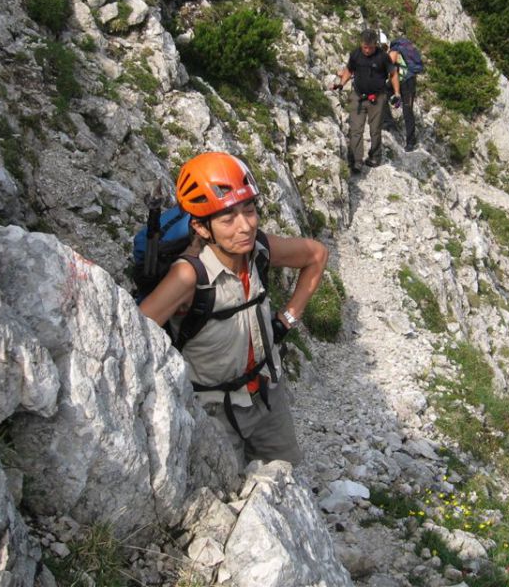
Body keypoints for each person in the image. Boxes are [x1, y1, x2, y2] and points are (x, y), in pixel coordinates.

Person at [139, 152, 329, 468]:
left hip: (268, 395)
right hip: (213, 413)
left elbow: (317, 256)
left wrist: (287, 320)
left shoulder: (260, 251)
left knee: (285, 481)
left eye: (250, 210)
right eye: (227, 219)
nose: (245, 227)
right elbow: (136, 335)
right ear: (201, 227)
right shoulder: (189, 275)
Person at [333, 29, 401, 172]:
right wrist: (341, 83)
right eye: (365, 47)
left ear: (375, 45)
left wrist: (396, 93)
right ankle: (356, 162)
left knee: (375, 130)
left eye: (370, 47)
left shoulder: (383, 57)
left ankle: (375, 156)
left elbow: (393, 74)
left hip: (377, 98)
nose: (367, 50)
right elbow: (349, 70)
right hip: (358, 96)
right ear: (361, 43)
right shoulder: (356, 54)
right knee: (356, 129)